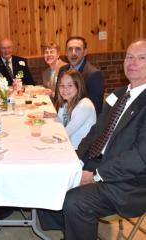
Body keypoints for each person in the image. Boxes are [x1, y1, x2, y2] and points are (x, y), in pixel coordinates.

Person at [41, 39, 146, 239]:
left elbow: (139, 158)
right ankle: (70, 229)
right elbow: (95, 132)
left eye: (141, 58)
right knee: (50, 177)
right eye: (129, 57)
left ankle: (74, 224)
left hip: (128, 182)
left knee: (74, 201)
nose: (132, 63)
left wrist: (95, 175)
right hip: (97, 161)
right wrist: (77, 160)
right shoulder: (118, 94)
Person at [56, 36, 104, 115]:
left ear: (85, 52)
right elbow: (57, 98)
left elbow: (95, 108)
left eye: (78, 49)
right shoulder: (62, 70)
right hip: (63, 117)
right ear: (66, 53)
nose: (73, 53)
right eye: (70, 49)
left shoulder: (94, 75)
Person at [55, 70, 96, 149]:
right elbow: (59, 126)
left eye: (70, 85)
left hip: (80, 152)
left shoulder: (85, 105)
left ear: (78, 86)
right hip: (67, 146)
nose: (64, 89)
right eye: (62, 85)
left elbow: (66, 132)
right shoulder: (65, 104)